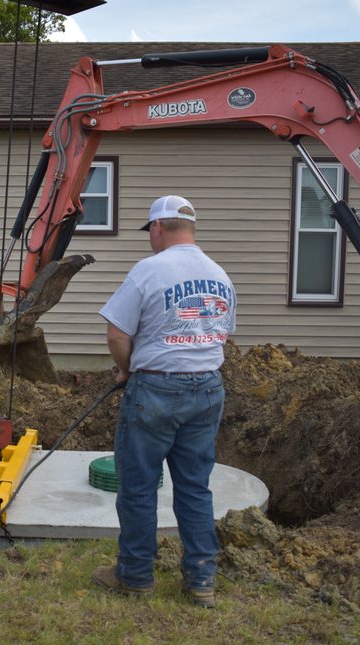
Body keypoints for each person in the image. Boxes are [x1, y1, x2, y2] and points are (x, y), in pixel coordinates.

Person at [93, 195, 236, 608]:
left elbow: (117, 334)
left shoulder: (149, 270)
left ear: (158, 227)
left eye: (150, 232)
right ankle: (202, 579)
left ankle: (135, 575)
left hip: (156, 389)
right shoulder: (220, 275)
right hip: (208, 389)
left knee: (139, 486)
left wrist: (125, 370)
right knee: (195, 487)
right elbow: (221, 332)